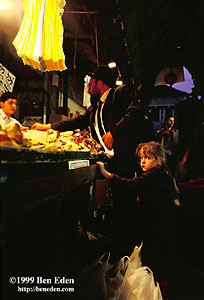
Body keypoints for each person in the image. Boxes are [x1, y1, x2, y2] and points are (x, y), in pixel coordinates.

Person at [31, 65, 154, 239]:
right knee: (118, 203)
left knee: (126, 204)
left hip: (126, 161)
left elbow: (136, 110)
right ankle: (117, 240)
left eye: (91, 83)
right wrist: (47, 126)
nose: (88, 87)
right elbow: (75, 122)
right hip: (112, 163)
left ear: (100, 83)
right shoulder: (95, 108)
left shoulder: (119, 94)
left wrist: (114, 132)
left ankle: (128, 244)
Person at [97, 141, 182, 300]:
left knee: (155, 268)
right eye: (141, 158)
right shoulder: (162, 174)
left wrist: (107, 175)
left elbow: (131, 186)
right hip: (161, 231)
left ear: (159, 160)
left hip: (157, 232)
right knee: (158, 268)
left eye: (148, 158)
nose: (143, 161)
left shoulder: (154, 176)